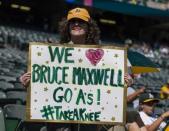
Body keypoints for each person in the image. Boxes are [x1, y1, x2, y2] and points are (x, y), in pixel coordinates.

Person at [20, 7, 147, 131]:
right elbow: (43, 81)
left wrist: (125, 81)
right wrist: (28, 83)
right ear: (67, 26)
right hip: (59, 117)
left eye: (81, 21)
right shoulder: (54, 53)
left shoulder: (102, 54)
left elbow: (112, 81)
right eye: (72, 22)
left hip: (88, 117)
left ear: (89, 27)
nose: (76, 24)